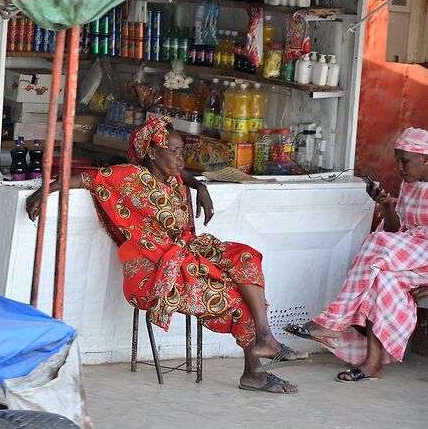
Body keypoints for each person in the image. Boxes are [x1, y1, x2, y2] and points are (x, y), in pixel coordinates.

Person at [26, 115, 307, 394]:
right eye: (173, 151)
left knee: (245, 256)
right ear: (151, 152)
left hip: (187, 255)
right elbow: (84, 178)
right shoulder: (131, 177)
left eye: (181, 151)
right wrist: (43, 191)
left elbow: (181, 172)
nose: (180, 158)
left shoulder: (172, 177)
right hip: (154, 270)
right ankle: (255, 370)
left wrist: (199, 185)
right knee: (235, 294)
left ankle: (264, 339)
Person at [285, 127, 428, 382]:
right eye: (397, 161)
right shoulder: (410, 185)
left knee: (377, 243)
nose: (399, 167)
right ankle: (373, 364)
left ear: (425, 159)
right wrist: (385, 204)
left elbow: (389, 239)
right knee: (383, 280)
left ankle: (332, 322)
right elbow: (397, 229)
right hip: (409, 255)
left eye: (404, 161)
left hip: (423, 259)